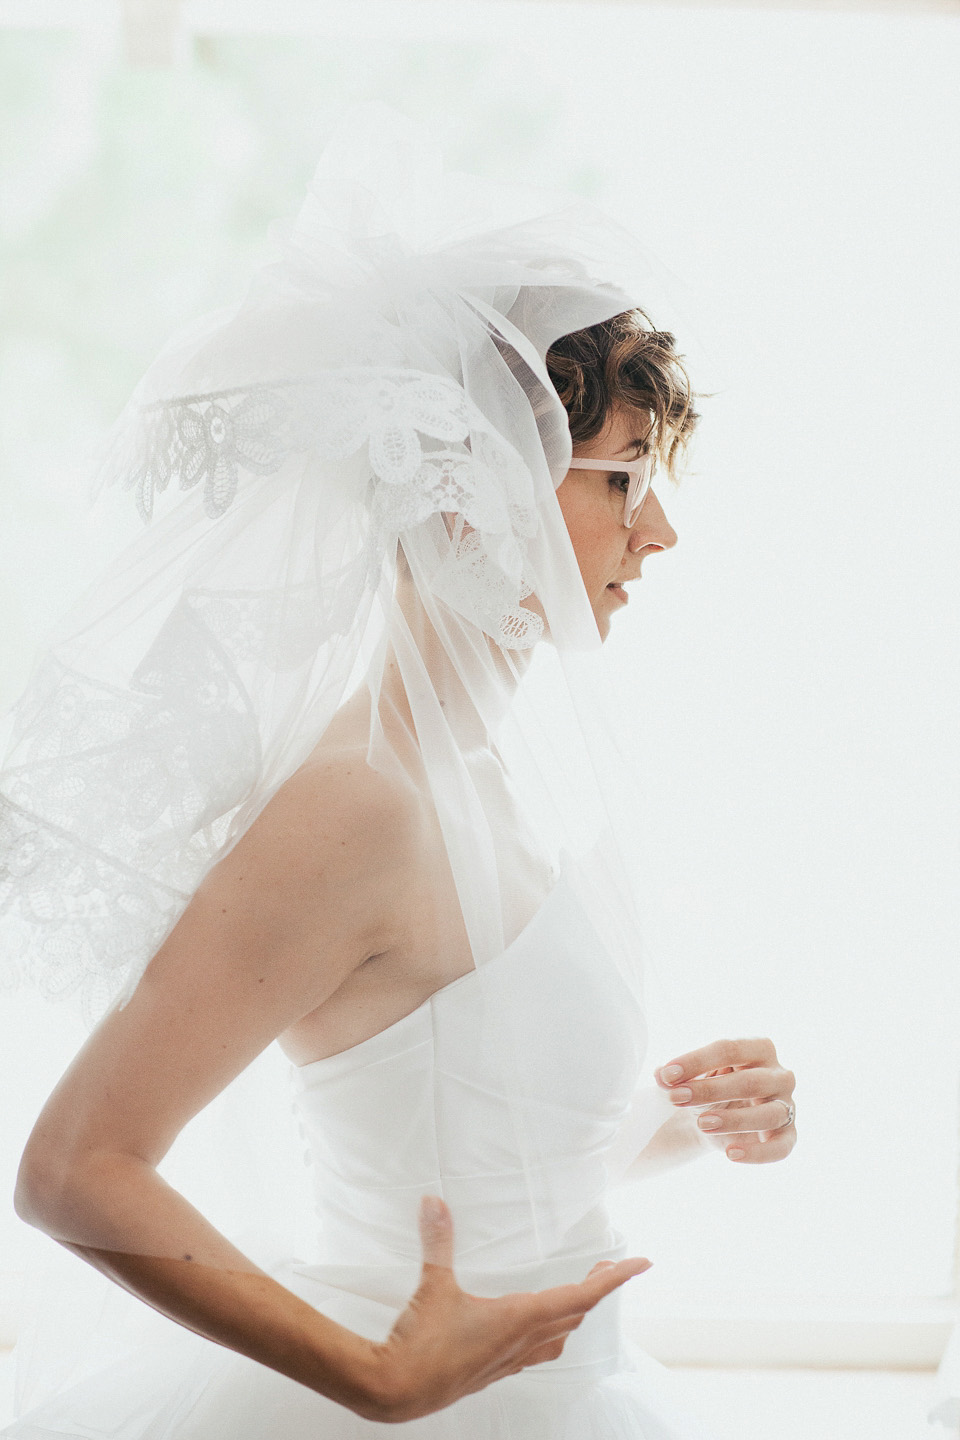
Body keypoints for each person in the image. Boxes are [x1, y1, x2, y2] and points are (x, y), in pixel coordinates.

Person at [0, 105, 796, 1438]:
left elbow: (488, 1151)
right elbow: (78, 1165)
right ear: (475, 490)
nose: (658, 531)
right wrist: (370, 1379)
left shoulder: (489, 773)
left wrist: (689, 1116)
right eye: (622, 479)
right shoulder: (357, 802)